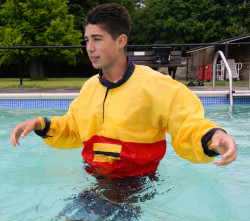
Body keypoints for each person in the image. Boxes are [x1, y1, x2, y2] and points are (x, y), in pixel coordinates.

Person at [10, 3, 237, 180]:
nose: (89, 48)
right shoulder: (90, 87)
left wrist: (213, 137)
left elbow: (188, 125)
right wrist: (41, 124)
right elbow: (74, 128)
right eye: (87, 39)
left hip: (135, 182)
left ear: (121, 41)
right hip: (95, 177)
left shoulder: (157, 85)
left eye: (97, 39)